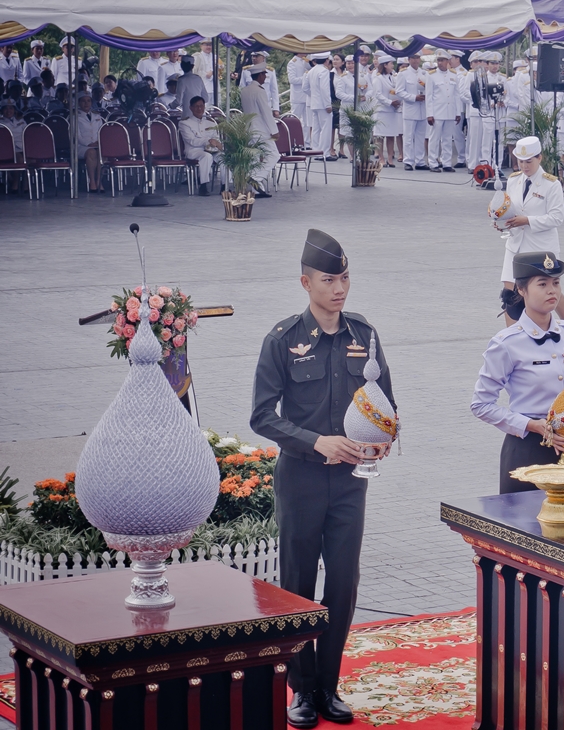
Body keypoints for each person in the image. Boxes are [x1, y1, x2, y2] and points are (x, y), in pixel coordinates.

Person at [251, 230, 393, 729]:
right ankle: (301, 688)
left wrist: (382, 439)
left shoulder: (364, 335)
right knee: (297, 584)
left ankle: (329, 685)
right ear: (306, 282)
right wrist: (317, 441)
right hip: (302, 479)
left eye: (345, 277)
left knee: (344, 582)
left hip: (351, 481)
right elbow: (262, 417)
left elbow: (386, 407)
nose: (339, 288)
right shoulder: (284, 339)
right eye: (329, 279)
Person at [471, 251, 564, 494]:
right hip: (527, 449)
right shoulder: (506, 343)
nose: (552, 291)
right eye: (542, 284)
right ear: (521, 290)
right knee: (525, 528)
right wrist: (532, 425)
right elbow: (481, 405)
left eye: (556, 283)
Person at [498, 137, 564, 321]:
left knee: (547, 289)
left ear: (540, 158)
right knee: (509, 293)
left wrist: (527, 220)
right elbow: (509, 208)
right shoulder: (514, 180)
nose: (524, 166)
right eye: (520, 161)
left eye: (528, 161)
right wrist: (500, 221)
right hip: (516, 244)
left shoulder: (551, 184)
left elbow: (556, 217)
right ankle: (513, 337)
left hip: (540, 246)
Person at [241, 64, 280, 196]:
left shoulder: (245, 90)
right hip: (261, 129)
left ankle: (255, 191)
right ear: (260, 75)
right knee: (274, 155)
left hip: (249, 129)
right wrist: (274, 130)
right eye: (264, 75)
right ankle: (255, 178)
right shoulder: (259, 91)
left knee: (255, 158)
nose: (265, 77)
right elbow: (266, 112)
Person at [178, 96, 222, 196]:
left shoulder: (210, 123)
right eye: (196, 106)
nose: (199, 109)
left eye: (201, 106)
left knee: (223, 157)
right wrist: (208, 141)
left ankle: (225, 186)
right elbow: (191, 140)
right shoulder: (185, 123)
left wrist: (218, 143)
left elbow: (216, 138)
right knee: (206, 156)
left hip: (211, 150)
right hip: (194, 150)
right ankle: (203, 185)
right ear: (191, 108)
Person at [428, 52, 464, 170]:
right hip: (437, 112)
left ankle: (446, 162)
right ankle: (433, 162)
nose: (440, 63)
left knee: (447, 139)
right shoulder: (431, 75)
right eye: (438, 60)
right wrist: (429, 114)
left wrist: (458, 112)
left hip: (450, 112)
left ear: (448, 61)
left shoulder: (453, 75)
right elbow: (429, 97)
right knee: (434, 138)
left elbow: (457, 95)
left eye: (442, 60)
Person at [395, 53, 428, 171]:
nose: (415, 60)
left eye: (417, 57)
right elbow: (399, 91)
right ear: (409, 59)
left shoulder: (424, 73)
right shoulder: (403, 73)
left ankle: (420, 161)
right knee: (408, 137)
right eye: (413, 58)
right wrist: (414, 97)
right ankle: (408, 161)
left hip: (422, 109)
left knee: (420, 137)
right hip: (410, 108)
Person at [371, 54, 401, 167]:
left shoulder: (393, 77)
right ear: (385, 65)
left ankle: (389, 158)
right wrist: (390, 102)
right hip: (382, 110)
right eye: (391, 64)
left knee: (390, 135)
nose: (393, 66)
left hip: (392, 111)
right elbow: (378, 94)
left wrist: (398, 102)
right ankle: (381, 158)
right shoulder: (378, 78)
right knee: (379, 136)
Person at [305, 53, 334, 159]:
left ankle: (316, 151)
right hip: (322, 104)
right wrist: (327, 104)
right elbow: (324, 89)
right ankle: (324, 153)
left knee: (316, 128)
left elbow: (305, 88)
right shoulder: (324, 71)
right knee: (326, 129)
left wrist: (313, 96)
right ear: (326, 60)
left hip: (314, 103)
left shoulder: (311, 71)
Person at [74, 93, 104, 193]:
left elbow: (101, 131)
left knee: (101, 153)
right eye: (83, 101)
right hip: (81, 146)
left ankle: (99, 181)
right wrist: (88, 144)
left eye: (88, 101)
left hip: (96, 144)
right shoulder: (75, 117)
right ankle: (92, 182)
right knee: (91, 152)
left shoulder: (97, 116)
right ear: (79, 103)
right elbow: (76, 135)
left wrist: (98, 142)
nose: (86, 103)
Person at [239, 51, 281, 116]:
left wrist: (276, 108)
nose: (254, 58)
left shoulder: (270, 71)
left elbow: (274, 91)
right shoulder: (246, 70)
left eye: (257, 56)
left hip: (266, 105)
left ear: (263, 57)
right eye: (253, 56)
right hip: (251, 106)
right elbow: (241, 88)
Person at [287, 52, 311, 125]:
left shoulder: (307, 61)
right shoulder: (292, 62)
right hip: (298, 96)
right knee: (295, 120)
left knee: (307, 122)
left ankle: (306, 137)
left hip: (307, 95)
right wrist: (306, 78)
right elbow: (292, 80)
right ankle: (293, 136)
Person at [0, 99, 25, 164]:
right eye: (6, 109)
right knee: (19, 159)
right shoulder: (1, 122)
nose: (8, 111)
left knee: (32, 160)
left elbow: (27, 133)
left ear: (14, 110)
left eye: (11, 108)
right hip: (8, 149)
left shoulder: (20, 120)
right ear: (2, 110)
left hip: (23, 147)